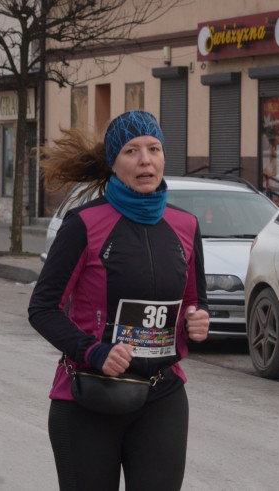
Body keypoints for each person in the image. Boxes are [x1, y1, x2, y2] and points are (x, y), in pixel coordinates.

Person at [29, 110, 210, 491]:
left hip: (162, 396)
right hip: (89, 396)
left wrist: (196, 320)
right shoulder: (83, 224)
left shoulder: (186, 226)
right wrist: (94, 351)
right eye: (132, 151)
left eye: (154, 149)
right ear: (114, 162)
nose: (145, 160)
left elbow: (194, 301)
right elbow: (42, 308)